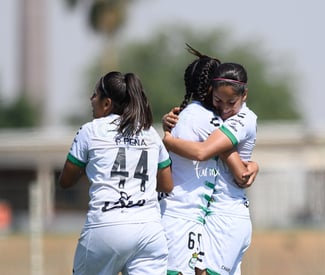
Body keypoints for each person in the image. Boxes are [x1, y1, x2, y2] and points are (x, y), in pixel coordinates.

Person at [58, 71, 173, 275]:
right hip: (149, 230)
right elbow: (166, 185)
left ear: (107, 103)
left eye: (95, 94)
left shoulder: (90, 130)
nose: (91, 99)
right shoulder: (150, 132)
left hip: (106, 227)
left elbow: (65, 180)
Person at [159, 45, 257, 275]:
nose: (224, 109)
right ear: (211, 88)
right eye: (219, 100)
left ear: (244, 95)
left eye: (230, 102)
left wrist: (166, 138)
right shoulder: (207, 119)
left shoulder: (232, 119)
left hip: (219, 216)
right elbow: (238, 168)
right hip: (208, 216)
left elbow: (206, 152)